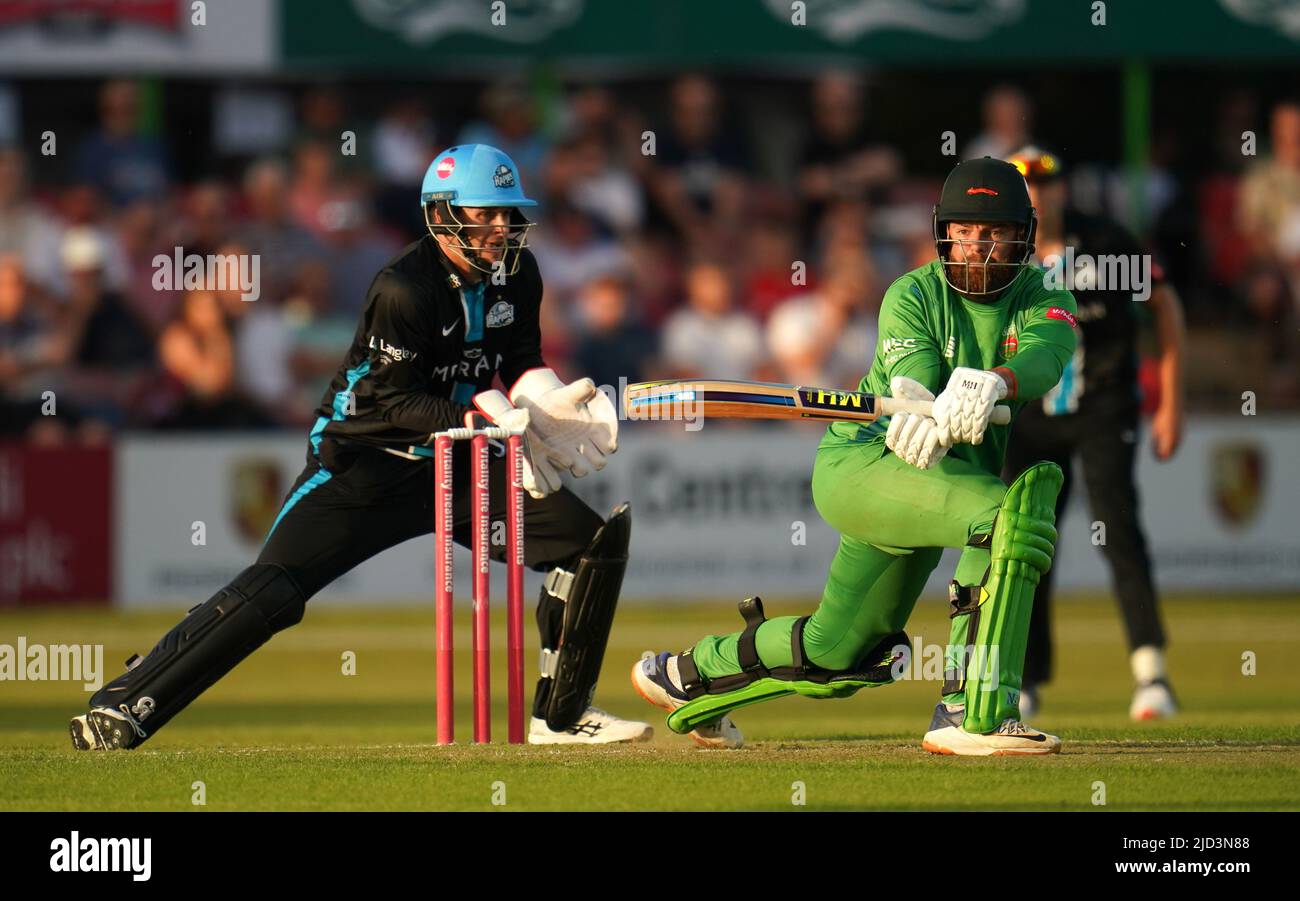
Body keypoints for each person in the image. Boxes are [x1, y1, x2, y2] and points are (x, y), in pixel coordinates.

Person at [71, 144, 651, 750]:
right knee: (275, 588)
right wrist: (493, 414)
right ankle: (129, 701)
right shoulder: (404, 288)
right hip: (363, 461)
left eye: (508, 215)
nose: (502, 229)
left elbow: (521, 359)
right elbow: (393, 403)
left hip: (463, 465)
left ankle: (561, 717)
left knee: (590, 546)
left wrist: (548, 401)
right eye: (486, 214)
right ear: (442, 215)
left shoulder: (520, 271)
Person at [633, 157, 1078, 755]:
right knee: (1007, 518)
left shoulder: (1044, 290)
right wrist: (927, 400)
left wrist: (995, 380)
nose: (978, 248)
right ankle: (969, 711)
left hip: (939, 481)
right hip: (867, 463)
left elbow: (1049, 355)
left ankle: (689, 674)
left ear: (1022, 235)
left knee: (838, 651)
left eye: (994, 232)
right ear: (943, 233)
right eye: (966, 232)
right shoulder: (912, 291)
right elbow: (912, 372)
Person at [1000, 147, 1186, 721]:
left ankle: (1150, 672)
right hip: (1027, 413)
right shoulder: (997, 251)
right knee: (1026, 543)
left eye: (1045, 183)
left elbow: (1164, 306)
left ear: (1061, 190)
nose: (1036, 195)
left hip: (1105, 404)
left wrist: (1171, 403)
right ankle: (1023, 682)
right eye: (1023, 185)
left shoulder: (1106, 242)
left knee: (1118, 528)